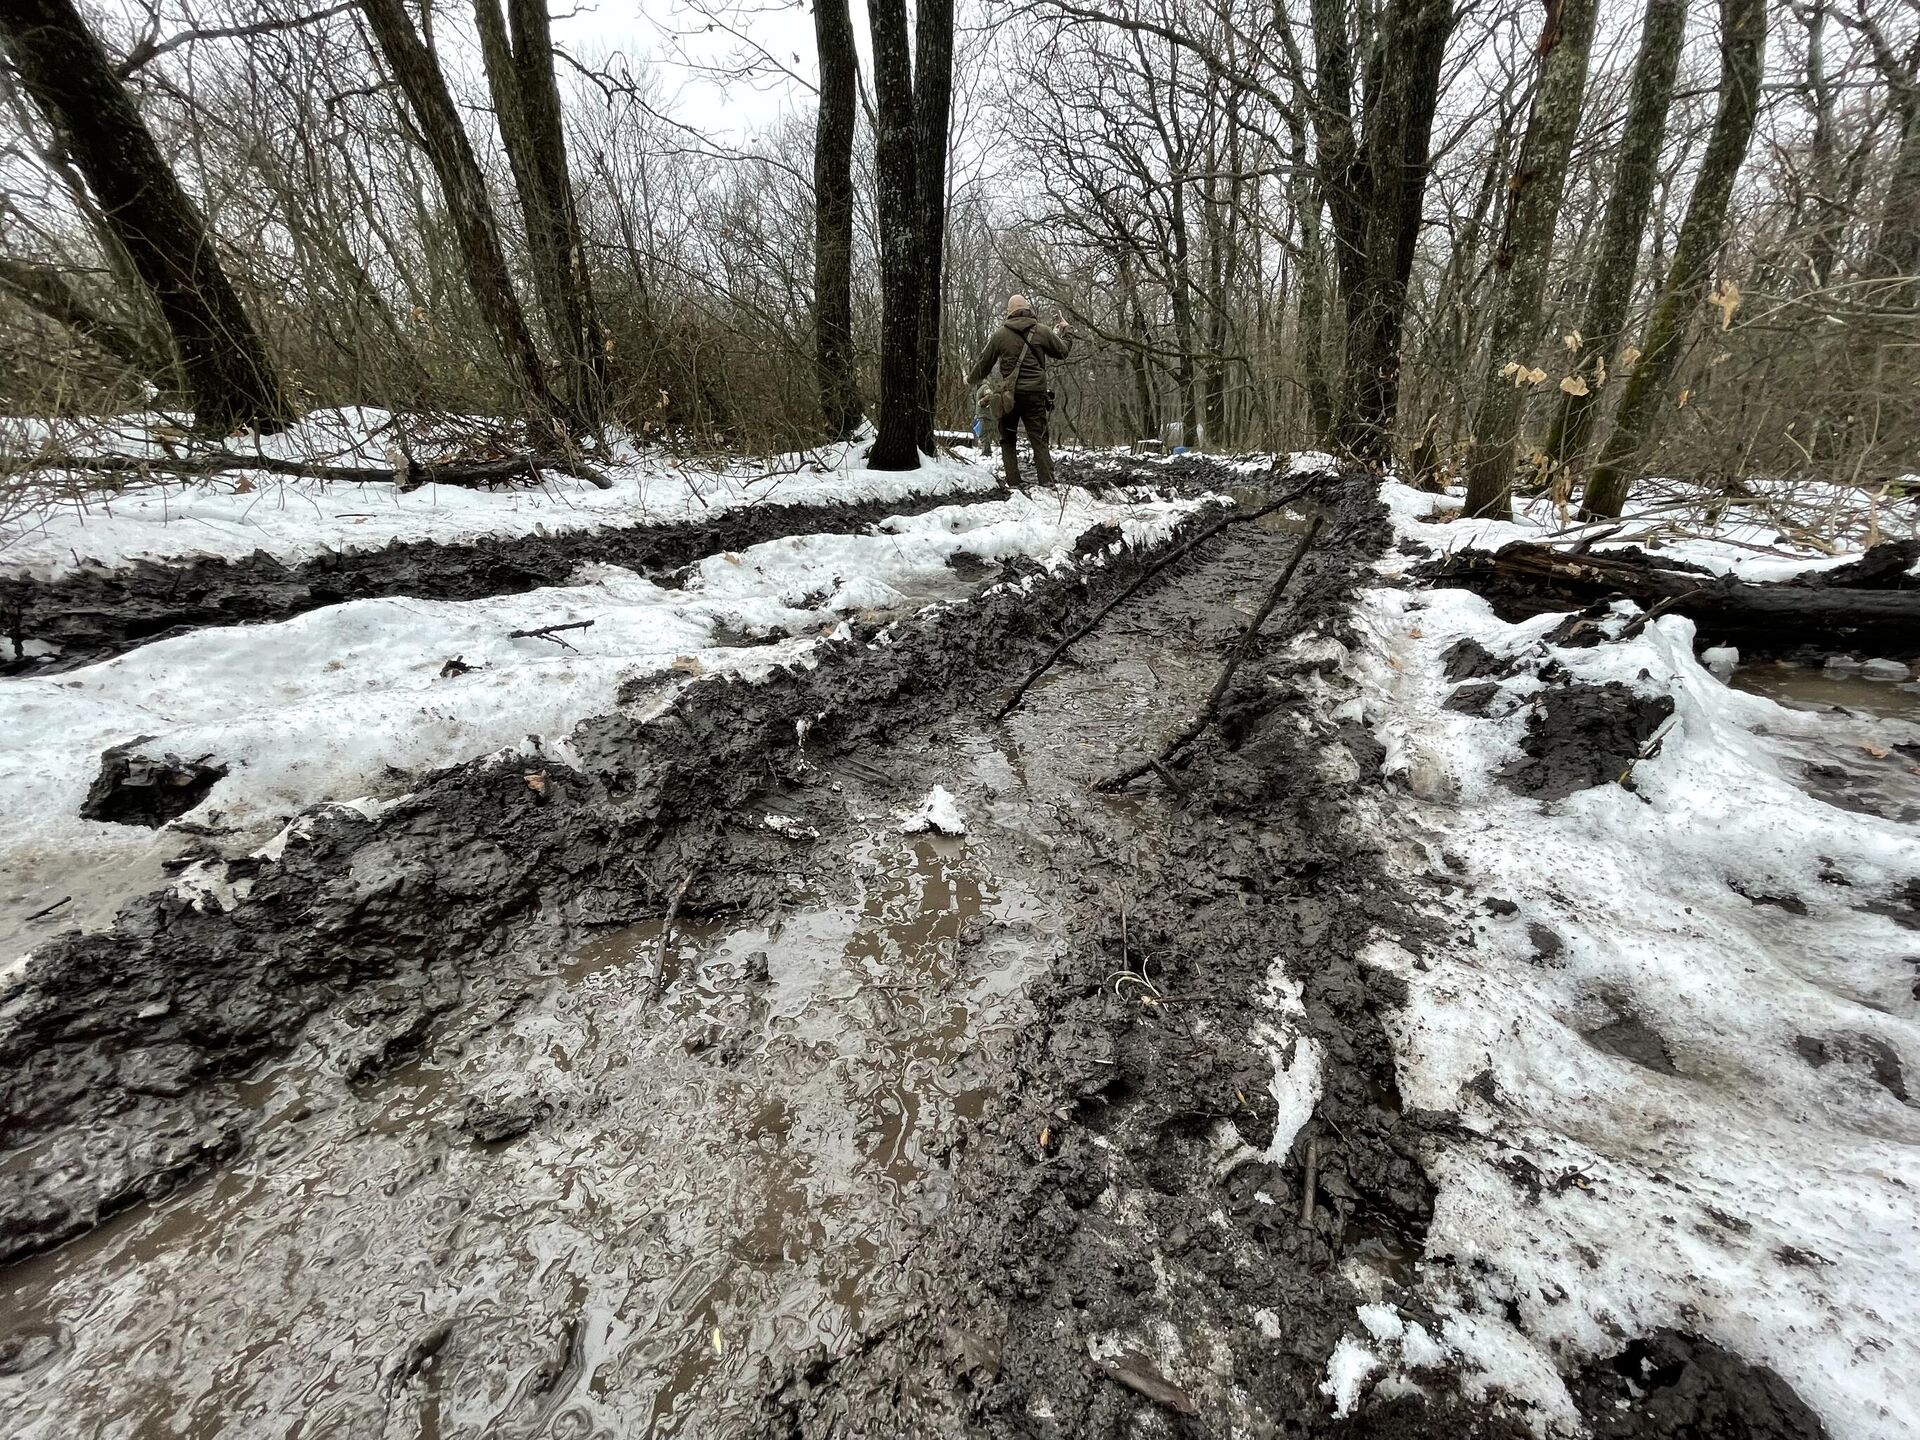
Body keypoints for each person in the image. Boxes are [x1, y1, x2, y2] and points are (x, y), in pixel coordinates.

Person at [966, 295, 1072, 487]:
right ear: (1028, 309)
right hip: (1035, 395)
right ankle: (1047, 483)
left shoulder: (1000, 336)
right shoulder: (1042, 332)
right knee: (1039, 440)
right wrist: (1066, 330)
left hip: (1009, 397)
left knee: (1007, 439)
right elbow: (1063, 351)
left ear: (1009, 312)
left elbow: (984, 364)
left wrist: (969, 379)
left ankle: (1014, 482)